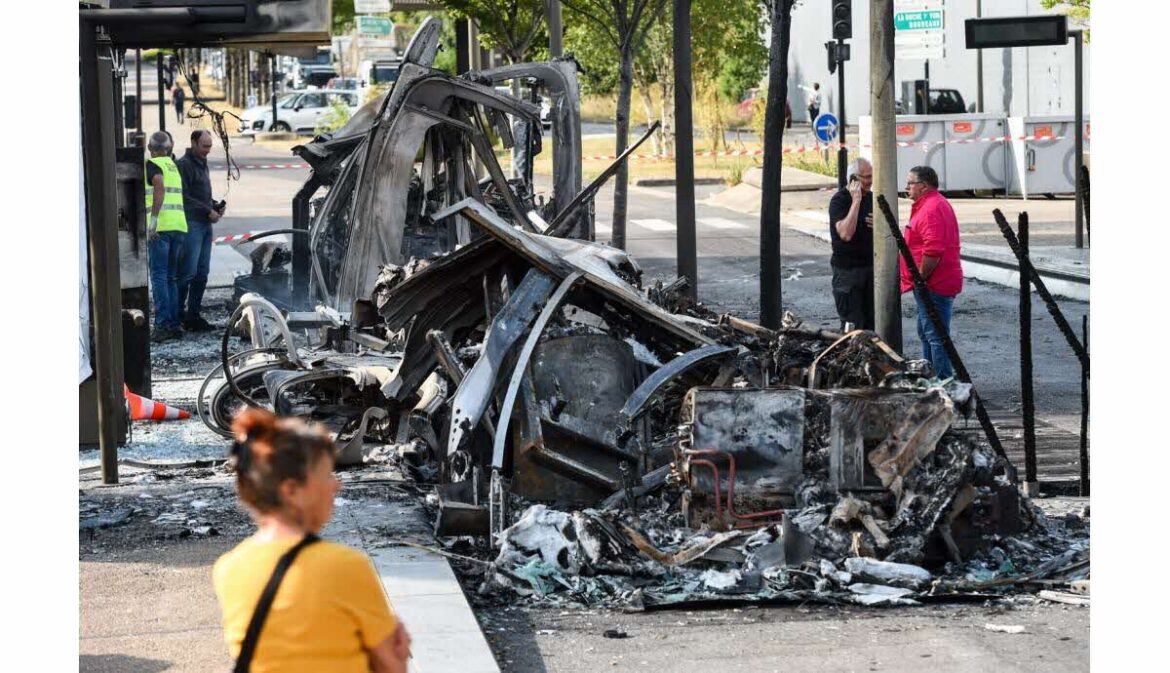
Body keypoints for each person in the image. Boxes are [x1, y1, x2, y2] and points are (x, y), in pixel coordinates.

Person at [213, 408, 412, 673]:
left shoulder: (228, 569)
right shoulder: (345, 567)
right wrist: (398, 649)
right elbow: (390, 667)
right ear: (292, 491)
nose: (335, 486)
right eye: (326, 476)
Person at [900, 165, 963, 379]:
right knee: (927, 332)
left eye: (910, 182)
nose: (907, 186)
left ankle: (943, 380)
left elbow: (934, 249)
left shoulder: (930, 209)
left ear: (923, 186)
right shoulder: (931, 204)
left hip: (934, 284)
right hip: (934, 283)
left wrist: (920, 277)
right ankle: (930, 376)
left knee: (935, 335)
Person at [176, 129, 224, 331]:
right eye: (204, 146)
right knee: (188, 271)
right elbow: (184, 197)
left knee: (202, 272)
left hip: (204, 224)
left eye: (210, 146)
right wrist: (207, 210)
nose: (208, 150)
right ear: (194, 143)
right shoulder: (184, 165)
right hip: (192, 224)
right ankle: (177, 314)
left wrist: (214, 206)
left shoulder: (202, 163)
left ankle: (193, 315)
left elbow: (199, 194)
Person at [145, 131, 188, 343]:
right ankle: (173, 323)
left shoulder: (152, 165)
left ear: (149, 148)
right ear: (168, 148)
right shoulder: (173, 166)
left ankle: (162, 325)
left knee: (159, 277)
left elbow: (159, 187)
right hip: (179, 227)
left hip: (161, 229)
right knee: (171, 278)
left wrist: (152, 222)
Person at [827, 158, 875, 331]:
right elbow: (846, 234)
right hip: (847, 272)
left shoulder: (871, 198)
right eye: (867, 177)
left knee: (872, 322)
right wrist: (856, 202)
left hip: (870, 269)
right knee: (853, 324)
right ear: (854, 179)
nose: (871, 181)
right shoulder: (840, 201)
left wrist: (879, 226)